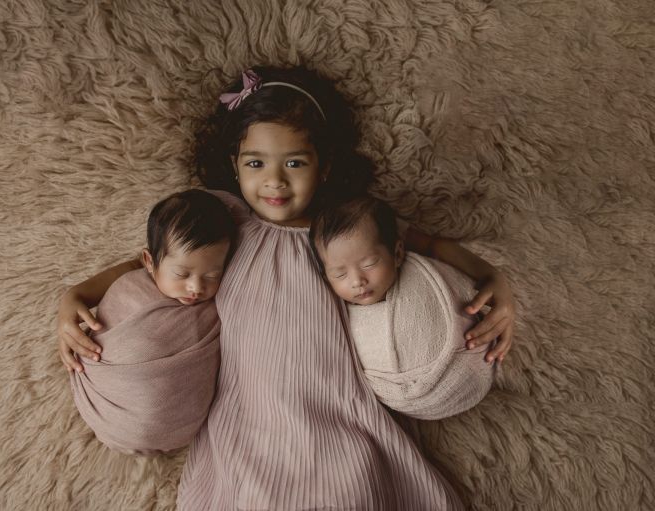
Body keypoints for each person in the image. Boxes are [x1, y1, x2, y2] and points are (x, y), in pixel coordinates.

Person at [57, 66, 516, 509]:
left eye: (295, 163)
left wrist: (491, 277)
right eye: (256, 163)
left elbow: (430, 244)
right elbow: (156, 261)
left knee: (353, 488)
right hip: (249, 415)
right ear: (234, 166)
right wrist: (78, 295)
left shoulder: (345, 226)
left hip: (337, 404)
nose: (274, 180)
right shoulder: (225, 219)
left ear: (324, 166)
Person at [69, 190, 235, 456]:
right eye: (182, 273)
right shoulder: (128, 289)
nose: (196, 287)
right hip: (108, 403)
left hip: (176, 424)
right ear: (149, 261)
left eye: (212, 276)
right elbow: (100, 336)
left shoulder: (214, 310)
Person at [309, 195, 495, 420]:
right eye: (340, 274)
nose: (357, 281)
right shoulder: (335, 317)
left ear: (397, 254)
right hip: (406, 399)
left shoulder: (425, 276)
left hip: (469, 361)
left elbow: (472, 295)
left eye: (369, 264)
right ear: (326, 279)